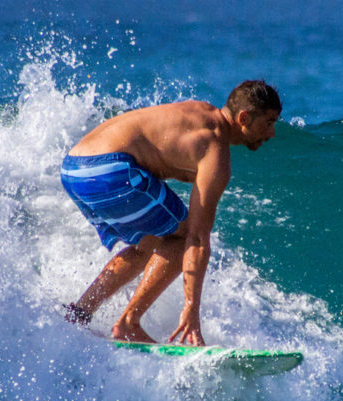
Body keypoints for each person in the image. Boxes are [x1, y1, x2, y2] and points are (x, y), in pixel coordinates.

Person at [60, 80, 281, 346]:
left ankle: (79, 313)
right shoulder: (215, 149)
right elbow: (198, 240)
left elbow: (156, 146)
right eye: (269, 122)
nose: (272, 134)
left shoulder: (198, 111)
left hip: (73, 170)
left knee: (151, 242)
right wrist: (191, 311)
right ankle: (128, 323)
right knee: (183, 234)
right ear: (244, 117)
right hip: (109, 170)